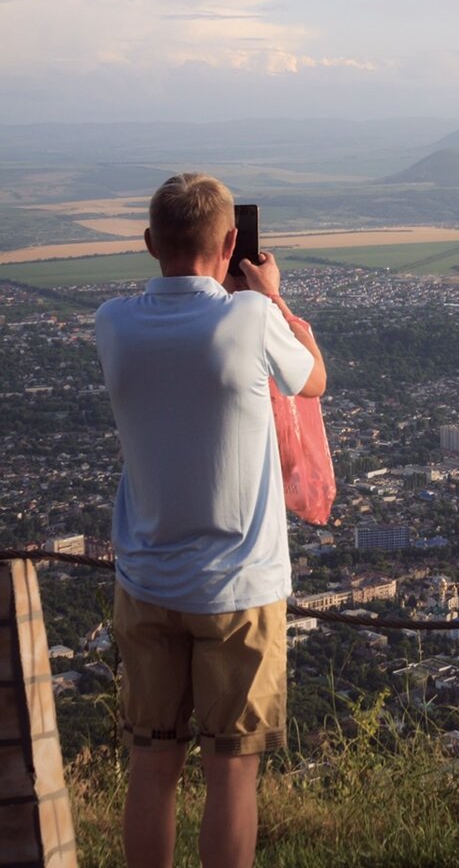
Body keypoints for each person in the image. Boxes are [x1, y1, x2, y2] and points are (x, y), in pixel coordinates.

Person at [95, 173, 326, 868]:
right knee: (232, 772)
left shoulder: (113, 324)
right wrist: (271, 295)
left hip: (146, 583)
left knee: (152, 766)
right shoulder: (251, 320)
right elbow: (312, 378)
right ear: (231, 243)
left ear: (147, 244)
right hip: (239, 589)